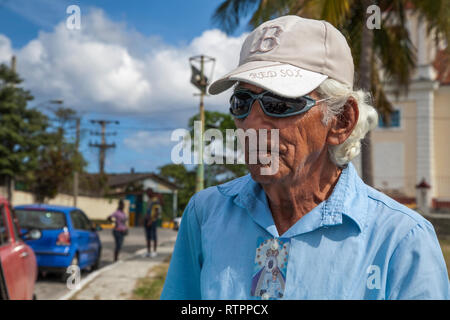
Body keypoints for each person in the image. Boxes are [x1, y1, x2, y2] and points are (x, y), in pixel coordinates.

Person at [161, 15, 449, 300]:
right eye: (242, 102)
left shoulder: (401, 241)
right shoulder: (205, 213)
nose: (253, 124)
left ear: (341, 121)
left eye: (279, 103)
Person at [144, 189, 162, 258]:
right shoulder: (149, 200)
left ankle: (154, 251)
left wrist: (151, 221)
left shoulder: (155, 200)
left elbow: (157, 212)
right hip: (147, 220)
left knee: (154, 236)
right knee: (148, 237)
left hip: (153, 221)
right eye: (146, 193)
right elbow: (148, 211)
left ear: (151, 193)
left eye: (148, 193)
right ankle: (148, 252)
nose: (147, 194)